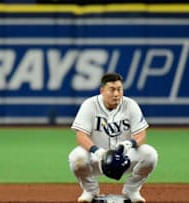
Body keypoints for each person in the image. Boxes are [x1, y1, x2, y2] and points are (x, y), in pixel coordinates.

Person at [68, 72, 159, 203]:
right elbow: (80, 136)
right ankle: (90, 190)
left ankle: (132, 190)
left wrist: (129, 144)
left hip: (124, 158)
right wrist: (97, 151)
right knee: (77, 158)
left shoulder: (130, 105)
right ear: (102, 90)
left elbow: (141, 135)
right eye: (112, 90)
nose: (116, 94)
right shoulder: (90, 105)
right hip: (97, 158)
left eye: (119, 89)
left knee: (150, 154)